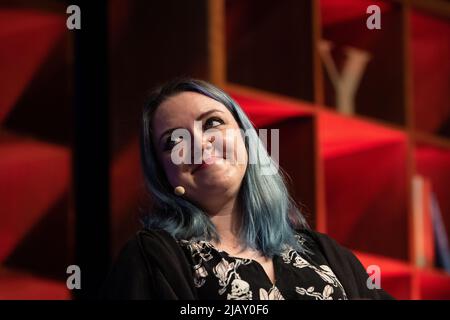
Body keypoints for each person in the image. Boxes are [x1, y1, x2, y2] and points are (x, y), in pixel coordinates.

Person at [101, 78, 393, 300]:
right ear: (164, 176)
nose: (199, 145)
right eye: (173, 142)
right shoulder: (153, 260)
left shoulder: (326, 255)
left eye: (212, 123)